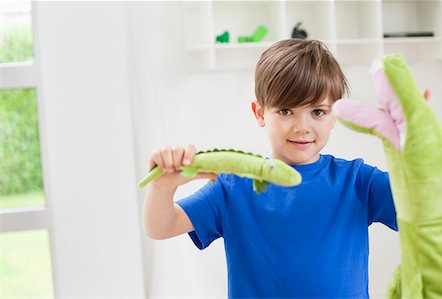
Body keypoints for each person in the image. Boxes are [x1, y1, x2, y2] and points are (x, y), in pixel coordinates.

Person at [142, 39, 397, 298]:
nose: (302, 127)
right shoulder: (235, 186)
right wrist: (163, 185)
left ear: (335, 115)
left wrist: (410, 146)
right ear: (260, 113)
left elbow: (427, 207)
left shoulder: (358, 181)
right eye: (286, 111)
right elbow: (160, 226)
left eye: (317, 111)